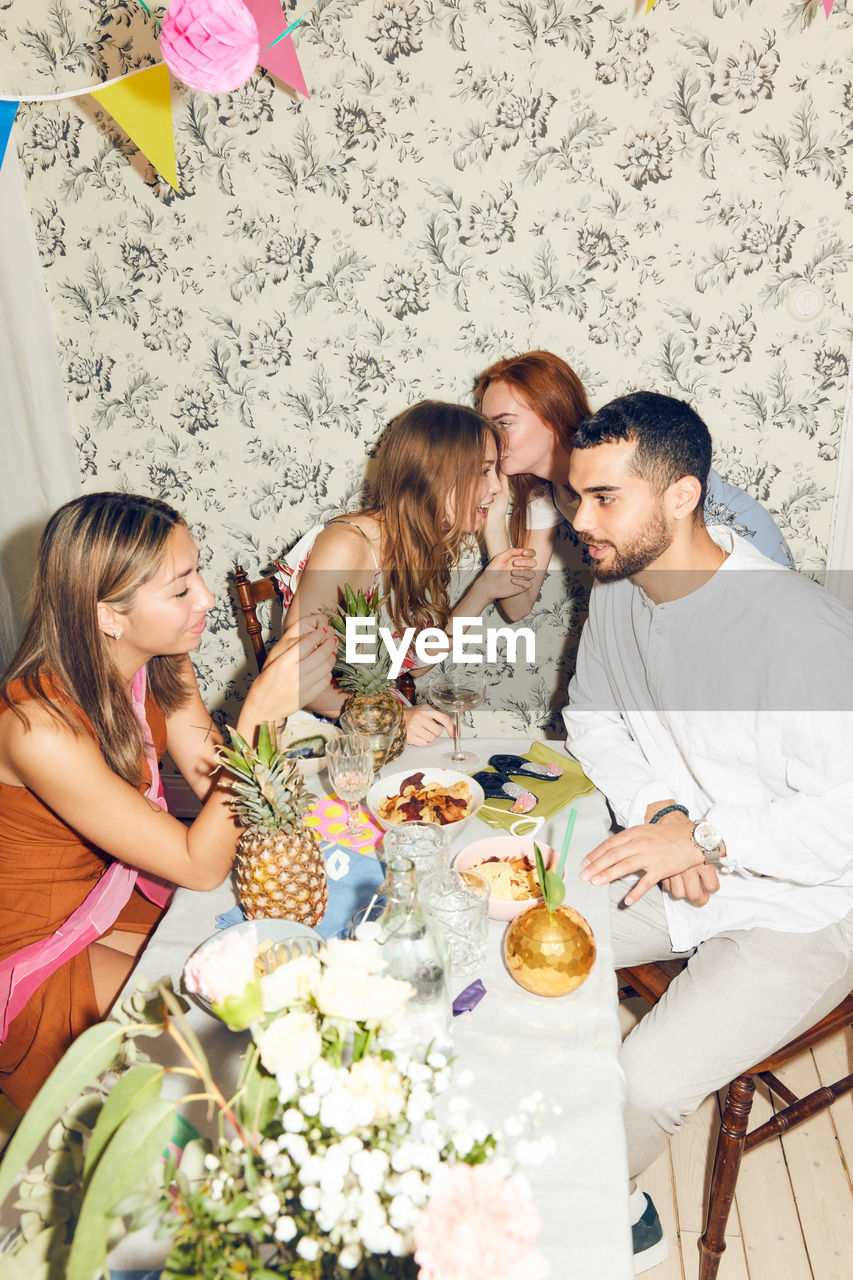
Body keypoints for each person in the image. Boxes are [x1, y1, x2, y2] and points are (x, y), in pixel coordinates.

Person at [560, 392, 853, 1272]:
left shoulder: (798, 632)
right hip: (676, 854)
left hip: (804, 906)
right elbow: (592, 717)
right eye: (576, 497)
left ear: (681, 496)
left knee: (642, 1081)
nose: (580, 522)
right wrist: (664, 817)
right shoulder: (616, 589)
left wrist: (706, 840)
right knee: (508, 927)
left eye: (604, 498)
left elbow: (842, 821)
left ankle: (591, 1222)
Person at [0, 493, 337, 1109]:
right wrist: (260, 712)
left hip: (105, 898)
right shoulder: (36, 726)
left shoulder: (163, 661)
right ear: (108, 615)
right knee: (215, 1043)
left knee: (261, 976)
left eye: (197, 572)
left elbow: (216, 782)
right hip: (29, 945)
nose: (206, 597)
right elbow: (197, 863)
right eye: (180, 588)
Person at [278, 399, 536, 744]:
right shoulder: (346, 545)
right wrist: (395, 716)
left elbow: (413, 665)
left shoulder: (417, 541)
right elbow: (292, 680)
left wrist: (484, 590)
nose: (496, 488)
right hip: (319, 742)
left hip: (375, 725)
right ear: (436, 474)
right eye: (483, 471)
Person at [474, 350, 794, 621]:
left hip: (748, 563)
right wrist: (493, 522)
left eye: (504, 423)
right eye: (487, 426)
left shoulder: (625, 451)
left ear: (552, 413)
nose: (490, 438)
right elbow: (517, 605)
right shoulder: (547, 496)